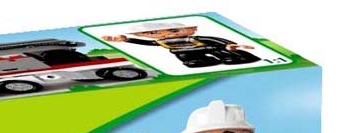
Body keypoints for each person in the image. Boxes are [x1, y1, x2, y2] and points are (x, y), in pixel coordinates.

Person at [103, 21, 260, 70]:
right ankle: (201, 61)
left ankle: (238, 57)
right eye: (153, 33)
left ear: (192, 29)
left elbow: (213, 40)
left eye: (174, 31)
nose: (167, 35)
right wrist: (126, 40)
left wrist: (229, 46)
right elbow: (147, 43)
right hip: (185, 53)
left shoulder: (194, 38)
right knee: (187, 58)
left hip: (208, 48)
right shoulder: (162, 42)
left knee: (221, 53)